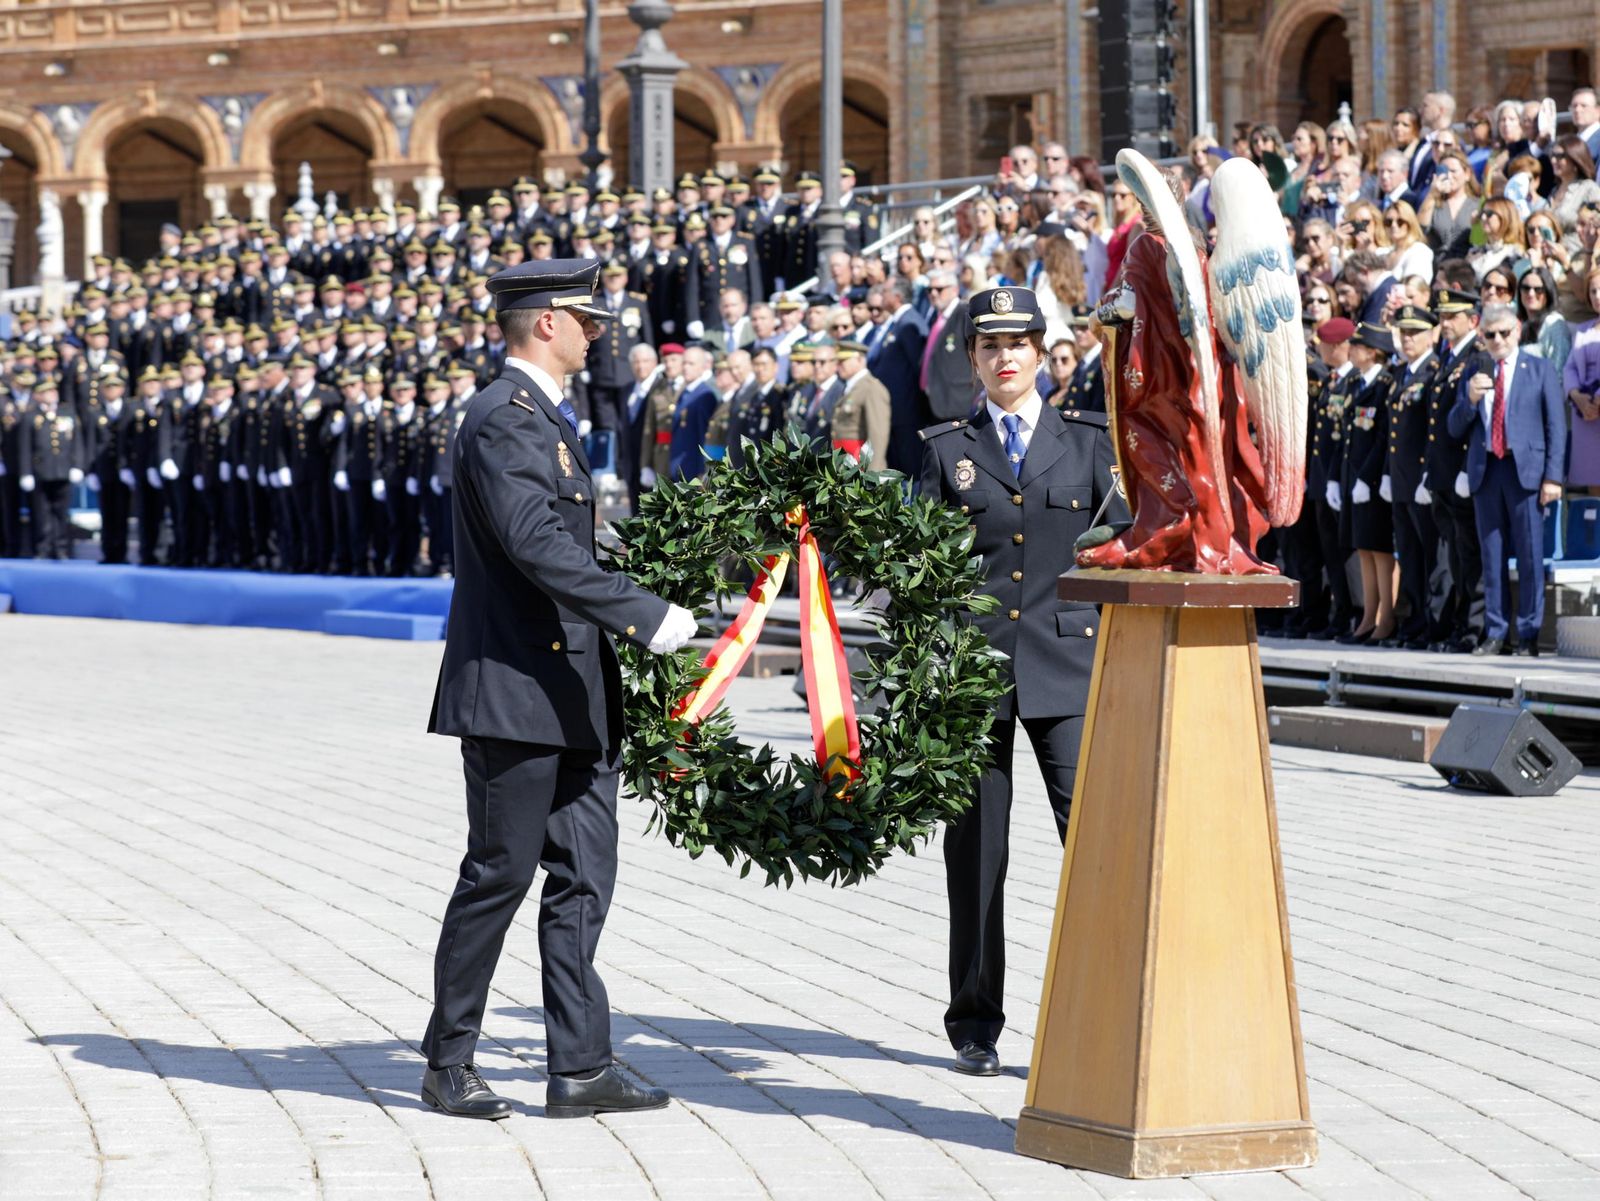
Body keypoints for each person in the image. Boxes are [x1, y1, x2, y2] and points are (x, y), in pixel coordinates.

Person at [423, 259, 700, 1121]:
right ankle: (448, 1060)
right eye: (587, 319)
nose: (598, 333)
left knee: (584, 874)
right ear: (545, 322)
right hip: (513, 687)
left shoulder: (542, 417)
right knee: (499, 874)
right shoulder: (504, 419)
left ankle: (579, 1064)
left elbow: (567, 545)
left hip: (570, 685)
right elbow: (536, 544)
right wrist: (644, 614)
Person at [917, 285, 1123, 1078]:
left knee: (1096, 842)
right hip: (975, 676)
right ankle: (974, 1022)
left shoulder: (1088, 443)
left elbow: (1124, 540)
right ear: (972, 357)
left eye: (1019, 342)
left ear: (1043, 352)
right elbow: (920, 567)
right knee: (976, 856)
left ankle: (1105, 1004)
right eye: (989, 344)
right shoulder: (944, 449)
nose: (1005, 356)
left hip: (1068, 668)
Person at [1448, 303, 1565, 656]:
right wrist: (1469, 399)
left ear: (1517, 330)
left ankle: (1528, 634)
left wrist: (1553, 477)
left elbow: (1555, 427)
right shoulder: (1475, 368)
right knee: (1492, 556)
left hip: (1525, 471)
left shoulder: (1539, 369)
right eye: (1489, 335)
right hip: (1488, 471)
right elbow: (1454, 427)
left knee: (1530, 556)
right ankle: (1496, 632)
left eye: (1504, 333)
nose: (1497, 340)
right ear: (1481, 336)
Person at [1338, 322, 1398, 644]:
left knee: (1380, 549)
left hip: (1374, 483)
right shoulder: (1359, 385)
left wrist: (1367, 477)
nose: (1352, 350)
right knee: (1364, 548)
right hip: (1357, 480)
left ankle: (1385, 617)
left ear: (1372, 351)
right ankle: (1368, 616)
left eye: (1357, 345)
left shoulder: (1385, 385)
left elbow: (1382, 439)